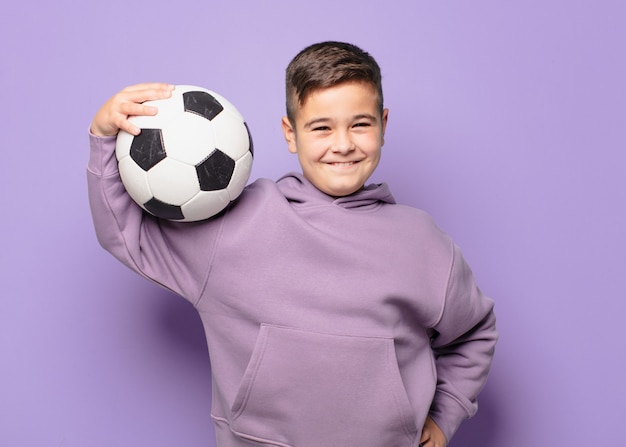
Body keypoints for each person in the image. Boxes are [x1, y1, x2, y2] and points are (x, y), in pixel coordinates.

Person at [87, 41, 497, 447]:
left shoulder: (421, 241)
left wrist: (444, 414)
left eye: (360, 124)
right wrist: (105, 138)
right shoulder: (233, 227)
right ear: (290, 133)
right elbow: (127, 234)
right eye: (321, 127)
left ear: (383, 125)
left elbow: (474, 332)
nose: (342, 144)